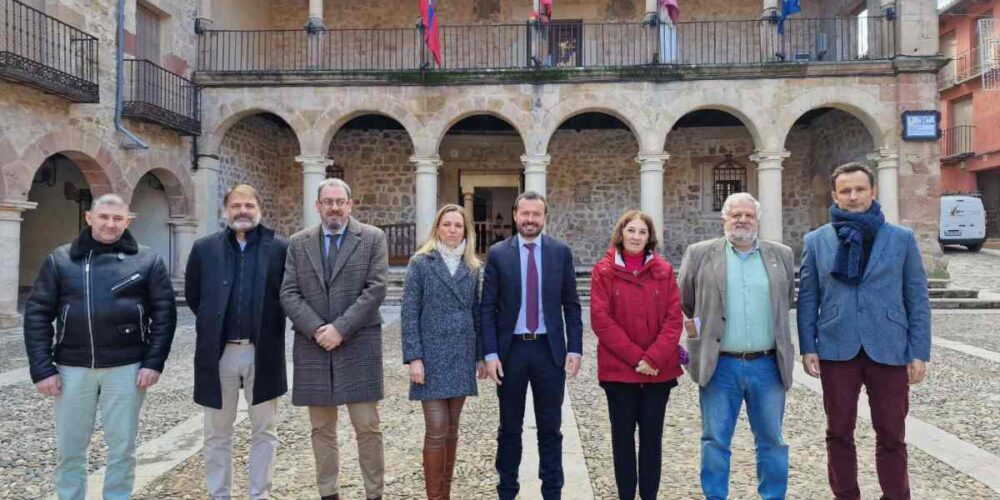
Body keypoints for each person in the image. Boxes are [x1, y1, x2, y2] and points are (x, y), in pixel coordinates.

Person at [23, 193, 176, 500]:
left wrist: (152, 362)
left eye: (118, 218)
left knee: (122, 449)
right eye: (104, 217)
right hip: (71, 369)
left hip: (127, 368)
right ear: (89, 218)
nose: (110, 224)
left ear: (128, 221)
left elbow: (164, 315)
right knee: (70, 449)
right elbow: (38, 314)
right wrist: (42, 368)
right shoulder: (61, 260)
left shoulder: (147, 260)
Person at [797, 162, 931, 500]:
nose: (853, 196)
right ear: (835, 196)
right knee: (839, 431)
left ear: (873, 192)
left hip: (888, 346)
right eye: (846, 191)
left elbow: (916, 296)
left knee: (891, 433)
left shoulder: (901, 239)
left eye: (859, 189)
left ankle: (896, 495)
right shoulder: (817, 241)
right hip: (836, 346)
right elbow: (808, 297)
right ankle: (845, 495)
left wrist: (919, 351)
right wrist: (807, 345)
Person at [678, 192, 796, 500]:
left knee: (772, 440)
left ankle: (773, 496)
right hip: (720, 365)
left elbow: (788, 301)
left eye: (748, 215)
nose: (742, 220)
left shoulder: (780, 254)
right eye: (735, 215)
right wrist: (695, 345)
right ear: (724, 220)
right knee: (715, 440)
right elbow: (685, 303)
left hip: (768, 364)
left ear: (757, 220)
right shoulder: (700, 254)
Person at [280, 178, 388, 500]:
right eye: (328, 202)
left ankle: (374, 492)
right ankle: (328, 493)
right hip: (314, 347)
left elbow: (376, 288)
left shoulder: (372, 238)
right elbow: (288, 292)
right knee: (321, 429)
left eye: (340, 201)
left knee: (367, 427)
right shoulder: (298, 243)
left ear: (350, 205)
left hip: (359, 344)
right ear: (318, 206)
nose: (334, 208)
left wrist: (340, 329)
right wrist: (316, 328)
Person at [185, 184, 289, 500]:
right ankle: (220, 494)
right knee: (217, 432)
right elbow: (194, 296)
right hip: (220, 354)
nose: (242, 211)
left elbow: (288, 294)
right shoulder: (205, 249)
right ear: (225, 211)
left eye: (248, 206)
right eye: (235, 206)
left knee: (265, 431)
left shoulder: (279, 248)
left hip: (263, 353)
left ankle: (260, 494)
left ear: (259, 209)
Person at [480, 191, 583, 500]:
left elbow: (571, 304)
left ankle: (552, 493)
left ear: (544, 217)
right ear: (515, 215)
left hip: (549, 352)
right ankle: (507, 492)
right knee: (509, 429)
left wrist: (575, 348)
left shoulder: (560, 252)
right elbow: (487, 308)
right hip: (510, 352)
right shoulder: (498, 254)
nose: (530, 220)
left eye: (536, 214)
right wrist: (490, 353)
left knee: (550, 429)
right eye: (525, 214)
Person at [589, 209, 683, 500]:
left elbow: (673, 318)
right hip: (619, 373)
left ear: (649, 237)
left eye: (642, 232)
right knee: (623, 441)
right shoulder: (603, 271)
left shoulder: (664, 271)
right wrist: (636, 358)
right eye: (631, 230)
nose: (636, 236)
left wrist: (653, 358)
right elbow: (601, 320)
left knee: (652, 441)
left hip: (658, 373)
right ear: (621, 233)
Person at [401, 203, 487, 499]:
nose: (452, 230)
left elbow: (477, 313)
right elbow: (409, 312)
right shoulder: (421, 263)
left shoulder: (473, 267)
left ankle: (446, 493)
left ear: (466, 231)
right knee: (436, 429)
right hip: (431, 357)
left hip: (461, 355)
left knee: (452, 430)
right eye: (447, 224)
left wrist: (480, 355)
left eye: (458, 225)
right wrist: (414, 357)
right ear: (437, 227)